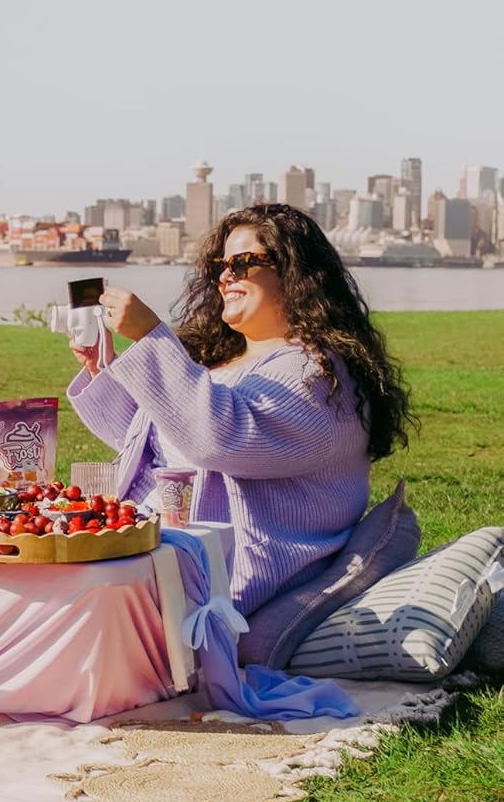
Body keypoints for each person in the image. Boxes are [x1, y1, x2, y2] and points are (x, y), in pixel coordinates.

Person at [67, 202, 415, 616]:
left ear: (295, 271)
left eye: (245, 262)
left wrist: (149, 337)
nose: (226, 276)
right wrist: (100, 368)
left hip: (226, 579)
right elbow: (165, 438)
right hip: (156, 552)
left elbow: (217, 439)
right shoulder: (224, 363)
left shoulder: (317, 376)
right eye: (221, 265)